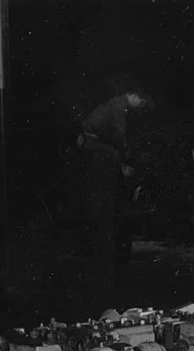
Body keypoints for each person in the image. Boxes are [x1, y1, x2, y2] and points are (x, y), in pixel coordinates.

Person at [77, 89, 149, 300]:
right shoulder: (118, 108)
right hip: (93, 148)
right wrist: (124, 159)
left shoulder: (116, 106)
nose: (139, 104)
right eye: (140, 100)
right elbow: (118, 137)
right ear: (133, 96)